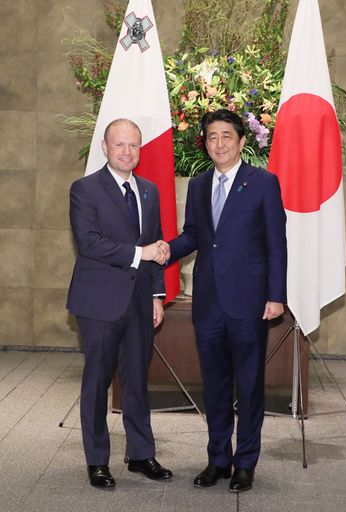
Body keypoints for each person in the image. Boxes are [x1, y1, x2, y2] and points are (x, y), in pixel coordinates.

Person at [161, 109, 287, 492]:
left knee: (249, 384)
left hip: (249, 303)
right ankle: (218, 458)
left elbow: (276, 244)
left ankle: (245, 463)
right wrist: (166, 250)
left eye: (226, 136)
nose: (219, 144)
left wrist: (275, 296)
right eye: (212, 137)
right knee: (214, 385)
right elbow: (195, 236)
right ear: (205, 142)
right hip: (209, 303)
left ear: (242, 141)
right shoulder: (199, 186)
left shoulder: (263, 183)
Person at [66, 118, 172, 488]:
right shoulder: (84, 189)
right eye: (120, 145)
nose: (128, 152)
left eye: (134, 146)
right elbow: (89, 243)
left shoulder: (149, 191)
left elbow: (157, 245)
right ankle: (97, 460)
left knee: (137, 381)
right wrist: (139, 252)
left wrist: (158, 295)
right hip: (99, 303)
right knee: (96, 382)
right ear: (105, 148)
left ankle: (141, 455)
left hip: (141, 302)